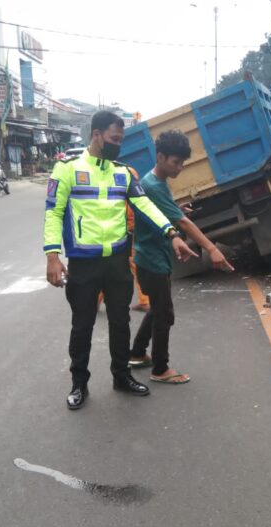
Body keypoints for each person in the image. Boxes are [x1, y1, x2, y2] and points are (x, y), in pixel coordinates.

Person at [44, 111, 198, 410]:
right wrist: (52, 256)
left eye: (121, 140)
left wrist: (171, 232)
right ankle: (79, 384)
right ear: (97, 134)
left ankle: (121, 376)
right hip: (83, 262)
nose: (118, 145)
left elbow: (145, 206)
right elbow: (53, 213)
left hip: (117, 262)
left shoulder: (123, 173)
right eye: (114, 139)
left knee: (121, 322)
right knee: (82, 326)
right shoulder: (67, 170)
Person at [129, 130, 234, 385]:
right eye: (176, 163)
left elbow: (169, 212)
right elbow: (183, 224)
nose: (179, 168)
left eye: (182, 163)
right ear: (161, 157)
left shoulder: (155, 181)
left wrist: (176, 209)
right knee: (164, 313)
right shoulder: (153, 185)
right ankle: (160, 369)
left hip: (150, 257)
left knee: (157, 307)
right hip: (152, 260)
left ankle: (137, 353)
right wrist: (212, 248)